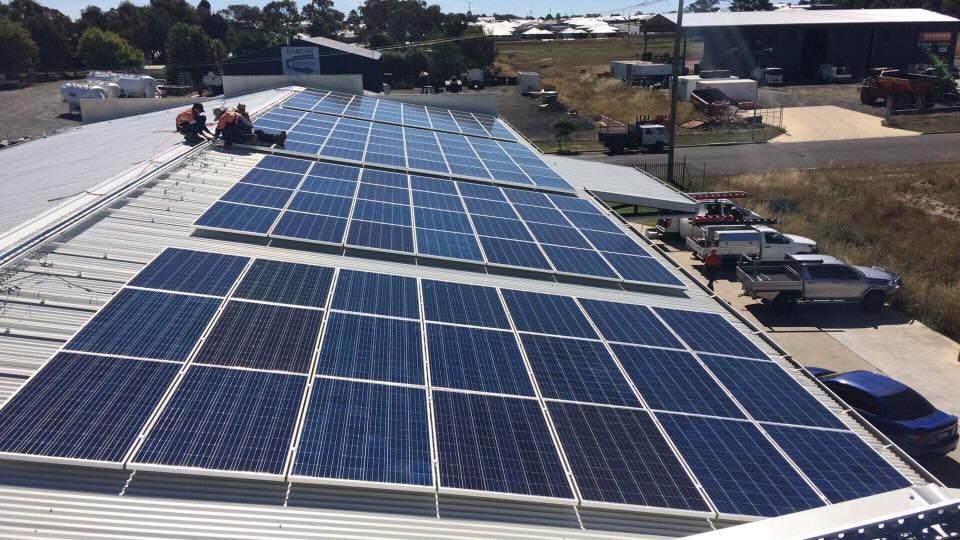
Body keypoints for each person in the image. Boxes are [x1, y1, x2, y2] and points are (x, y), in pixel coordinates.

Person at [213, 107, 286, 147]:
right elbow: (244, 120)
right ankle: (276, 138)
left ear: (219, 115)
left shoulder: (223, 117)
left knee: (236, 135)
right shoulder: (233, 112)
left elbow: (218, 129)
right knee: (259, 133)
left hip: (239, 129)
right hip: (247, 125)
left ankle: (250, 137)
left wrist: (216, 137)